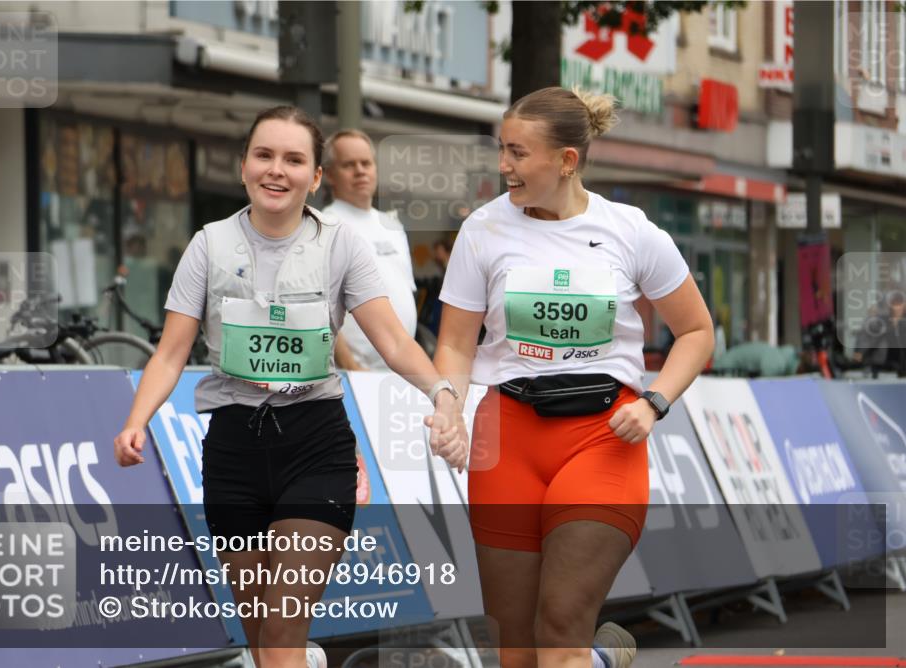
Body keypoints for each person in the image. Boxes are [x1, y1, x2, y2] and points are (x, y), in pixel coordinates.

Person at [114, 106, 468, 668]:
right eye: (264, 155)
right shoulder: (208, 245)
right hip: (233, 449)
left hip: (315, 445)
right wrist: (137, 421)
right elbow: (171, 352)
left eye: (294, 159)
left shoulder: (341, 245)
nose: (276, 170)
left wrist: (443, 394)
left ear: (316, 177)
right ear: (243, 167)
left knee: (280, 632)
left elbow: (394, 341)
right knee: (262, 638)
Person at [433, 87, 714, 668]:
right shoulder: (482, 230)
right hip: (506, 437)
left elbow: (696, 331)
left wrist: (654, 402)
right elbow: (456, 343)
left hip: (602, 437)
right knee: (515, 650)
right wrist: (449, 407)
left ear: (566, 160)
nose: (504, 165)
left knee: (559, 626)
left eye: (518, 152)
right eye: (502, 149)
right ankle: (602, 660)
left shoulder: (631, 231)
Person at [321, 129, 417, 371]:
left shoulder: (392, 226)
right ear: (329, 174)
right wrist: (350, 366)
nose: (360, 170)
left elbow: (404, 294)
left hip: (401, 371)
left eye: (366, 163)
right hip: (353, 374)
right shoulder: (326, 226)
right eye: (349, 164)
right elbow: (319, 309)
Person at [853, 289, 906, 376]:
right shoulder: (879, 322)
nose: (896, 307)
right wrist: (859, 352)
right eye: (894, 303)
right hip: (881, 368)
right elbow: (865, 337)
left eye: (899, 304)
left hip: (901, 370)